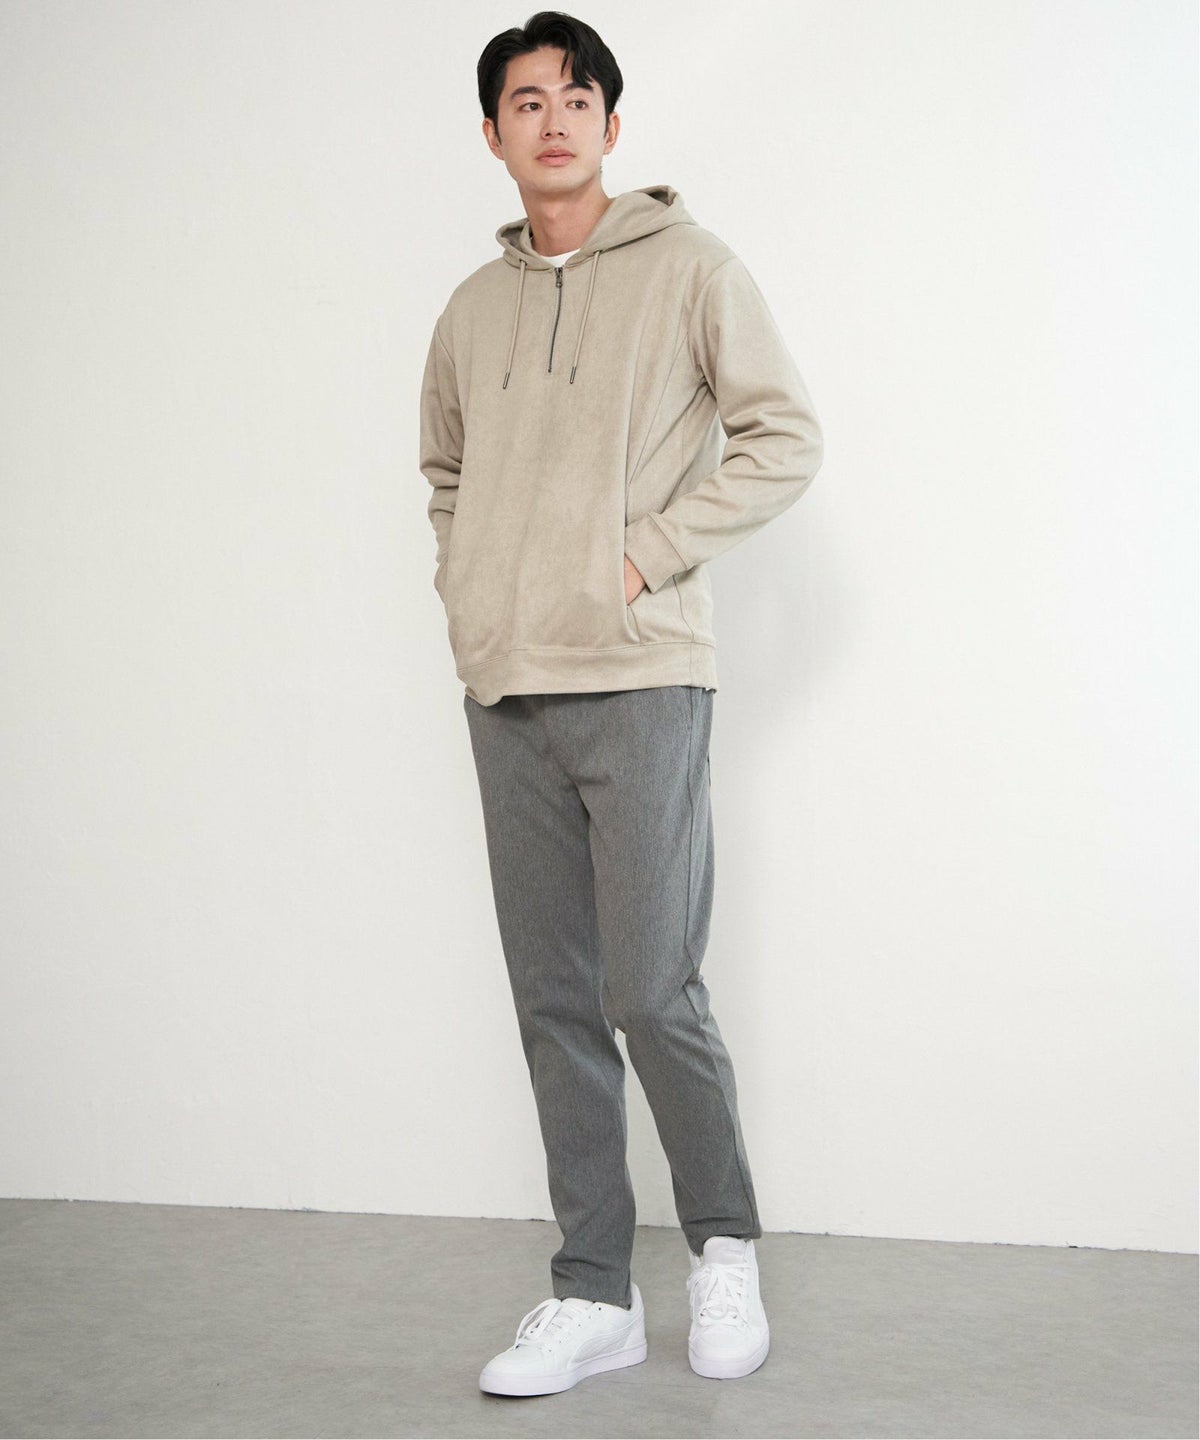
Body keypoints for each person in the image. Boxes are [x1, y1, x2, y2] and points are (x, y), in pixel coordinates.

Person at [419, 9, 824, 1398]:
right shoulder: (469, 311)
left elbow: (784, 437)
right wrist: (472, 589)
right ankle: (593, 1287)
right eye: (526, 101)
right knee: (553, 1001)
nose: (554, 120)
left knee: (652, 988)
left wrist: (645, 553)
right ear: (493, 132)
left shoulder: (694, 270)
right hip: (507, 689)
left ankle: (723, 1246)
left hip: (642, 677)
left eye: (576, 96)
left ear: (609, 121)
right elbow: (445, 475)